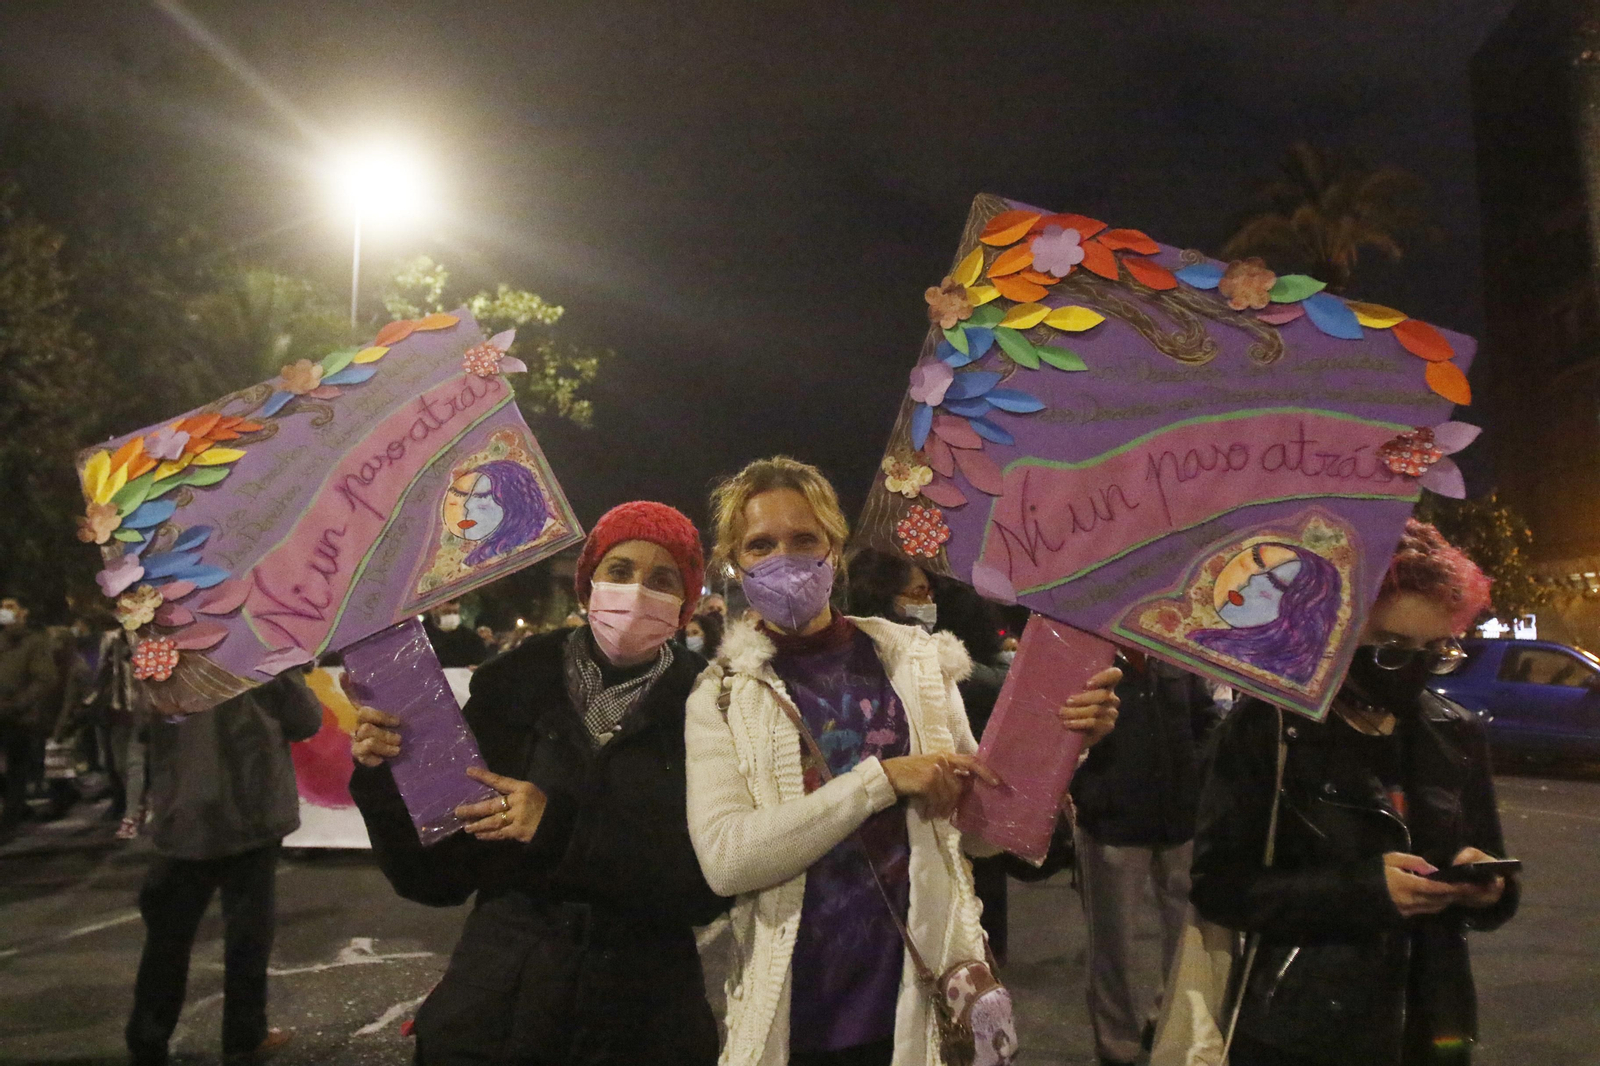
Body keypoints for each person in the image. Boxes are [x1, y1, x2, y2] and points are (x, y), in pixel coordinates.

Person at [685, 457, 1121, 1065]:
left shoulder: (914, 661)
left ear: (835, 548)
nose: (785, 558)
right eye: (762, 544)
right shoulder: (722, 696)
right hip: (798, 1016)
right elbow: (728, 861)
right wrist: (883, 778)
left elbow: (981, 835)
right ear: (735, 561)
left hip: (924, 1003)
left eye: (804, 538)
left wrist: (1065, 745)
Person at [348, 501, 728, 1065]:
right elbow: (436, 878)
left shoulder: (714, 705)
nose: (637, 591)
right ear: (589, 583)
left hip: (644, 1019)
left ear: (685, 602)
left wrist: (556, 829)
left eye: (662, 579)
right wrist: (388, 776)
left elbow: (707, 887)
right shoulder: (511, 688)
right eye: (620, 570)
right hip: (497, 1014)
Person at [1189, 520, 1519, 1066]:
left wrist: (1489, 889)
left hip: (1432, 1020)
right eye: (1392, 647)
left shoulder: (1455, 730)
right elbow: (1220, 887)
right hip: (1306, 1027)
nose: (1413, 669)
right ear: (1337, 629)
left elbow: (1490, 865)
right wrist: (1364, 890)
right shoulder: (1269, 728)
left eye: (1435, 650)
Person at [125, 670, 321, 1066]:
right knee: (248, 932)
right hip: (251, 811)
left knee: (167, 937)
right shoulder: (265, 652)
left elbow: (142, 728)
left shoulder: (166, 648)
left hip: (183, 812)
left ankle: (148, 1039)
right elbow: (305, 721)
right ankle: (245, 1035)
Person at [1070, 650, 1218, 1066]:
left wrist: (1197, 776)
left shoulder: (1173, 655)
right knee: (1112, 947)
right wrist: (1091, 793)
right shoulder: (1092, 657)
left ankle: (1165, 1021)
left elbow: (1205, 719)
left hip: (1179, 818)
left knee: (1184, 940)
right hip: (1114, 821)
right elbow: (1066, 736)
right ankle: (1116, 1048)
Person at [0, 595, 58, 835]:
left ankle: (10, 821)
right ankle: (16, 808)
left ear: (23, 613)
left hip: (19, 718)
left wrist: (18, 704)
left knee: (16, 769)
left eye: (12, 608)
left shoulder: (34, 642)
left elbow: (45, 678)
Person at [423, 600, 487, 668]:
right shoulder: (422, 636)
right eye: (446, 612)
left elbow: (482, 664)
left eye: (455, 612)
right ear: (433, 610)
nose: (452, 616)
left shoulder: (471, 638)